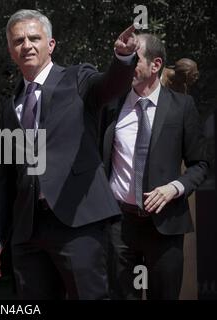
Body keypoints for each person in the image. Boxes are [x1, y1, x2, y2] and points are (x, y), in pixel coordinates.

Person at [0, 9, 139, 299]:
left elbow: (110, 86)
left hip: (78, 221)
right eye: (18, 41)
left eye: (34, 38)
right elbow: (4, 179)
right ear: (10, 50)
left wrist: (123, 60)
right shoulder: (10, 106)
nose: (26, 45)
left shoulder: (77, 78)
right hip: (28, 231)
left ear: (50, 44)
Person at [100, 34, 208, 299]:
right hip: (119, 225)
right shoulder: (110, 106)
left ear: (155, 64)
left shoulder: (182, 107)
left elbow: (200, 164)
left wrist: (175, 188)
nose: (126, 66)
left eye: (134, 59)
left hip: (166, 224)